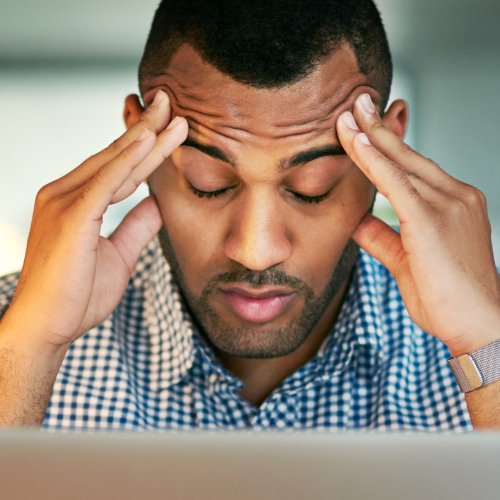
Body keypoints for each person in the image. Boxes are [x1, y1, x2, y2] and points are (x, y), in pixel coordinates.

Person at [0, 0, 499, 431]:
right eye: (207, 183)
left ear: (390, 149)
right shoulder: (15, 326)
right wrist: (28, 352)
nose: (256, 250)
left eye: (311, 190)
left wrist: (486, 346)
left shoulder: (487, 336)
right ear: (138, 142)